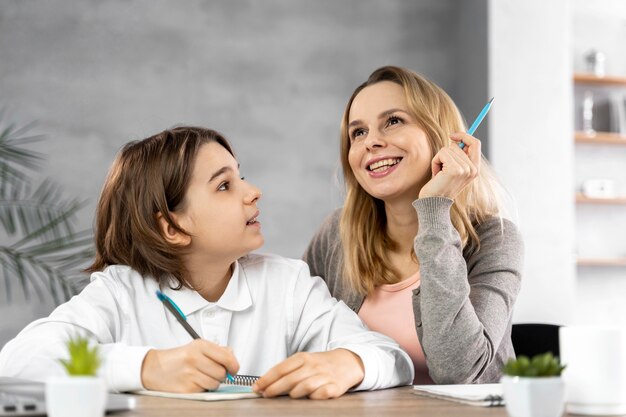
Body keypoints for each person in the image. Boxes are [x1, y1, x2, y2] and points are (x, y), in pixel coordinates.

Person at [0, 126, 413, 398]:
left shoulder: (287, 284)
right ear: (171, 227)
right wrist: (146, 367)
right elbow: (20, 359)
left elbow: (390, 356)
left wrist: (351, 362)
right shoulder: (122, 292)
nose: (254, 192)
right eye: (224, 185)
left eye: (241, 175)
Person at [303, 66, 523, 385]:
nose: (371, 142)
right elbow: (292, 337)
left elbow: (459, 370)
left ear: (443, 137)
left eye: (393, 121)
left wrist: (434, 210)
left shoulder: (495, 240)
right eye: (358, 132)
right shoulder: (336, 235)